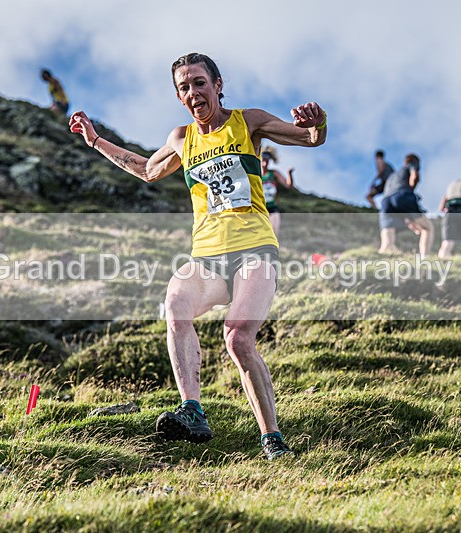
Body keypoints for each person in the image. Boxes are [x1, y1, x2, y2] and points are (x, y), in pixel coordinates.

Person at [69, 52, 327, 460]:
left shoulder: (249, 122)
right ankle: (192, 410)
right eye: (184, 87)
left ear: (218, 85)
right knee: (175, 304)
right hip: (207, 256)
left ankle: (272, 439)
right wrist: (96, 141)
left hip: (254, 250)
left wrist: (317, 124)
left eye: (199, 83)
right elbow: (146, 170)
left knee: (238, 338)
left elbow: (308, 138)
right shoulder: (181, 139)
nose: (193, 92)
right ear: (179, 96)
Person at [378, 153, 434, 257]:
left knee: (387, 243)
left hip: (385, 201)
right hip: (402, 194)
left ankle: (375, 265)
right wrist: (411, 189)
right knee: (427, 228)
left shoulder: (392, 176)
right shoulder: (412, 165)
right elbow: (414, 176)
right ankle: (424, 259)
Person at [260, 146, 294, 238]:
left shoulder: (274, 173)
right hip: (259, 208)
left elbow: (288, 185)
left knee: (274, 234)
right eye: (263, 159)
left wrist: (289, 174)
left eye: (267, 160)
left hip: (273, 208)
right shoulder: (256, 174)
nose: (265, 162)